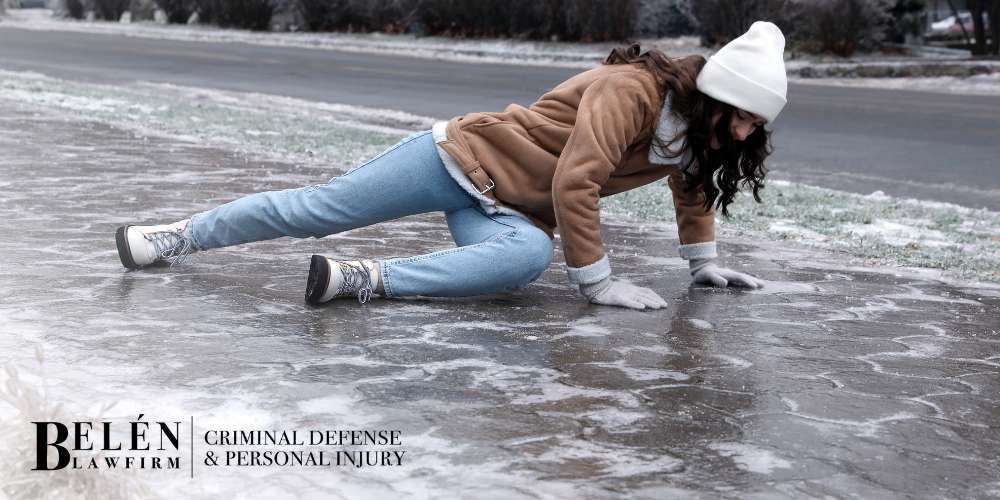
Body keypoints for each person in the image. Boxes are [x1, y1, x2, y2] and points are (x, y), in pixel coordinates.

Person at [115, 21, 787, 311]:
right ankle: (176, 236)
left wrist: (702, 264)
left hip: (509, 209)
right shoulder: (632, 91)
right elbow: (576, 179)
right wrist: (599, 283)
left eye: (757, 123)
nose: (746, 131)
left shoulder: (698, 133)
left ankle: (362, 280)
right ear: (713, 96)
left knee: (523, 261)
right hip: (458, 157)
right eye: (742, 115)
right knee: (318, 211)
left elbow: (693, 184)